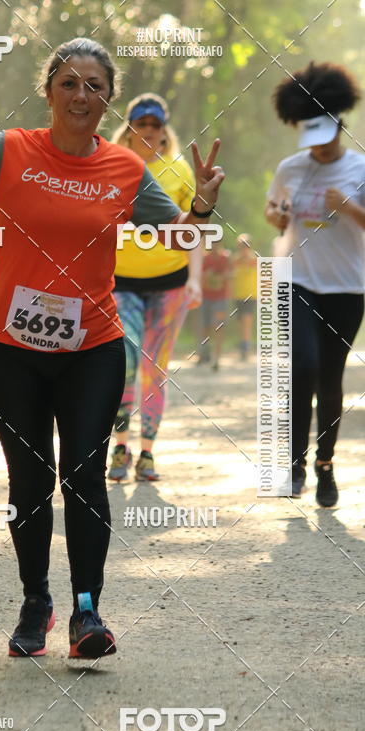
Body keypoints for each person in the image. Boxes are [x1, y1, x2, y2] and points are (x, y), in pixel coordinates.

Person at [0, 37, 225, 658]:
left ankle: (87, 611)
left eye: (94, 85)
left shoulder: (126, 170)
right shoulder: (8, 150)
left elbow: (177, 239)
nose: (81, 95)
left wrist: (202, 205)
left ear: (108, 100)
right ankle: (35, 601)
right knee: (28, 480)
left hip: (92, 347)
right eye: (69, 83)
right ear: (48, 91)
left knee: (84, 476)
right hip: (8, 346)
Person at [265, 61, 365, 506]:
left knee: (330, 377)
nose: (318, 148)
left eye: (324, 136)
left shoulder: (360, 169)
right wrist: (277, 216)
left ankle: (325, 467)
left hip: (347, 287)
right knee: (301, 366)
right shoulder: (290, 168)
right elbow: (273, 212)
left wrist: (348, 207)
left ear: (339, 127)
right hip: (298, 281)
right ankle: (295, 463)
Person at [107, 93, 201, 482]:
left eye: (155, 126)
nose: (147, 131)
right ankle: (120, 446)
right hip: (120, 283)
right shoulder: (111, 166)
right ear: (127, 131)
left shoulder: (179, 170)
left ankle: (147, 452)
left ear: (164, 133)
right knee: (124, 364)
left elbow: (194, 230)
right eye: (140, 125)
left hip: (170, 284)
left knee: (154, 369)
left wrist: (195, 279)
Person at [199, 240, 232, 370]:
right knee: (206, 326)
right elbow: (198, 275)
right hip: (206, 297)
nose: (214, 246)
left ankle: (216, 357)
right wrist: (206, 276)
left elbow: (231, 274)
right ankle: (204, 353)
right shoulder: (204, 258)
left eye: (217, 243)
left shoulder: (226, 258)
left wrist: (224, 277)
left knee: (219, 326)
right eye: (212, 244)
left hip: (221, 298)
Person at [231, 234, 258, 360]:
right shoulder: (235, 260)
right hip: (238, 295)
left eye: (246, 245)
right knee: (240, 322)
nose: (243, 248)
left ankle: (245, 349)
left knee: (247, 321)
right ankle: (243, 344)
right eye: (241, 246)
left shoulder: (255, 259)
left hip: (251, 295)